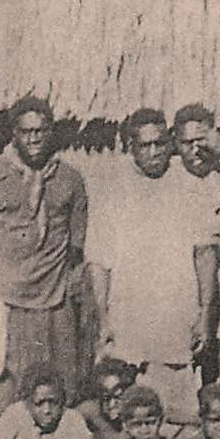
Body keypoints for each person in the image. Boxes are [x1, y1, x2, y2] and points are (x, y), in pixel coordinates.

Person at [0, 96, 90, 419]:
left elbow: (76, 247)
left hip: (54, 304)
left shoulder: (70, 180)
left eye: (41, 131)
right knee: (3, 397)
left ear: (51, 133)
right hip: (8, 303)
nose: (34, 139)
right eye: (26, 131)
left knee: (57, 394)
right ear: (14, 133)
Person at [88, 108, 207, 423]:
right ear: (131, 147)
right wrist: (103, 321)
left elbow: (204, 255)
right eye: (145, 145)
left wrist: (205, 315)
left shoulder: (191, 188)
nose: (154, 152)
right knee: (134, 417)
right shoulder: (112, 193)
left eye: (159, 144)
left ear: (169, 143)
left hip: (175, 321)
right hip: (130, 324)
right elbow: (100, 265)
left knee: (178, 418)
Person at [170, 103, 220, 388]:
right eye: (186, 142)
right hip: (187, 304)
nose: (195, 150)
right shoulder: (170, 181)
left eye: (201, 141)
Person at [76, 357, 138, 439]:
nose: (112, 404)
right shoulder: (91, 411)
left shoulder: (139, 414)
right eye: (106, 398)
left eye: (118, 396)